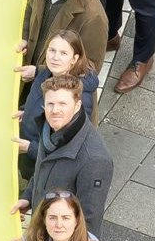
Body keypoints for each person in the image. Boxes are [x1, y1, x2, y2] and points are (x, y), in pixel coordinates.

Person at [21, 75, 114, 225]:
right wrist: (28, 197)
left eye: (62, 104)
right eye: (50, 103)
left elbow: (88, 223)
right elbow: (43, 169)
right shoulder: (48, 128)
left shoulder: (95, 160)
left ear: (77, 106)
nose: (55, 110)